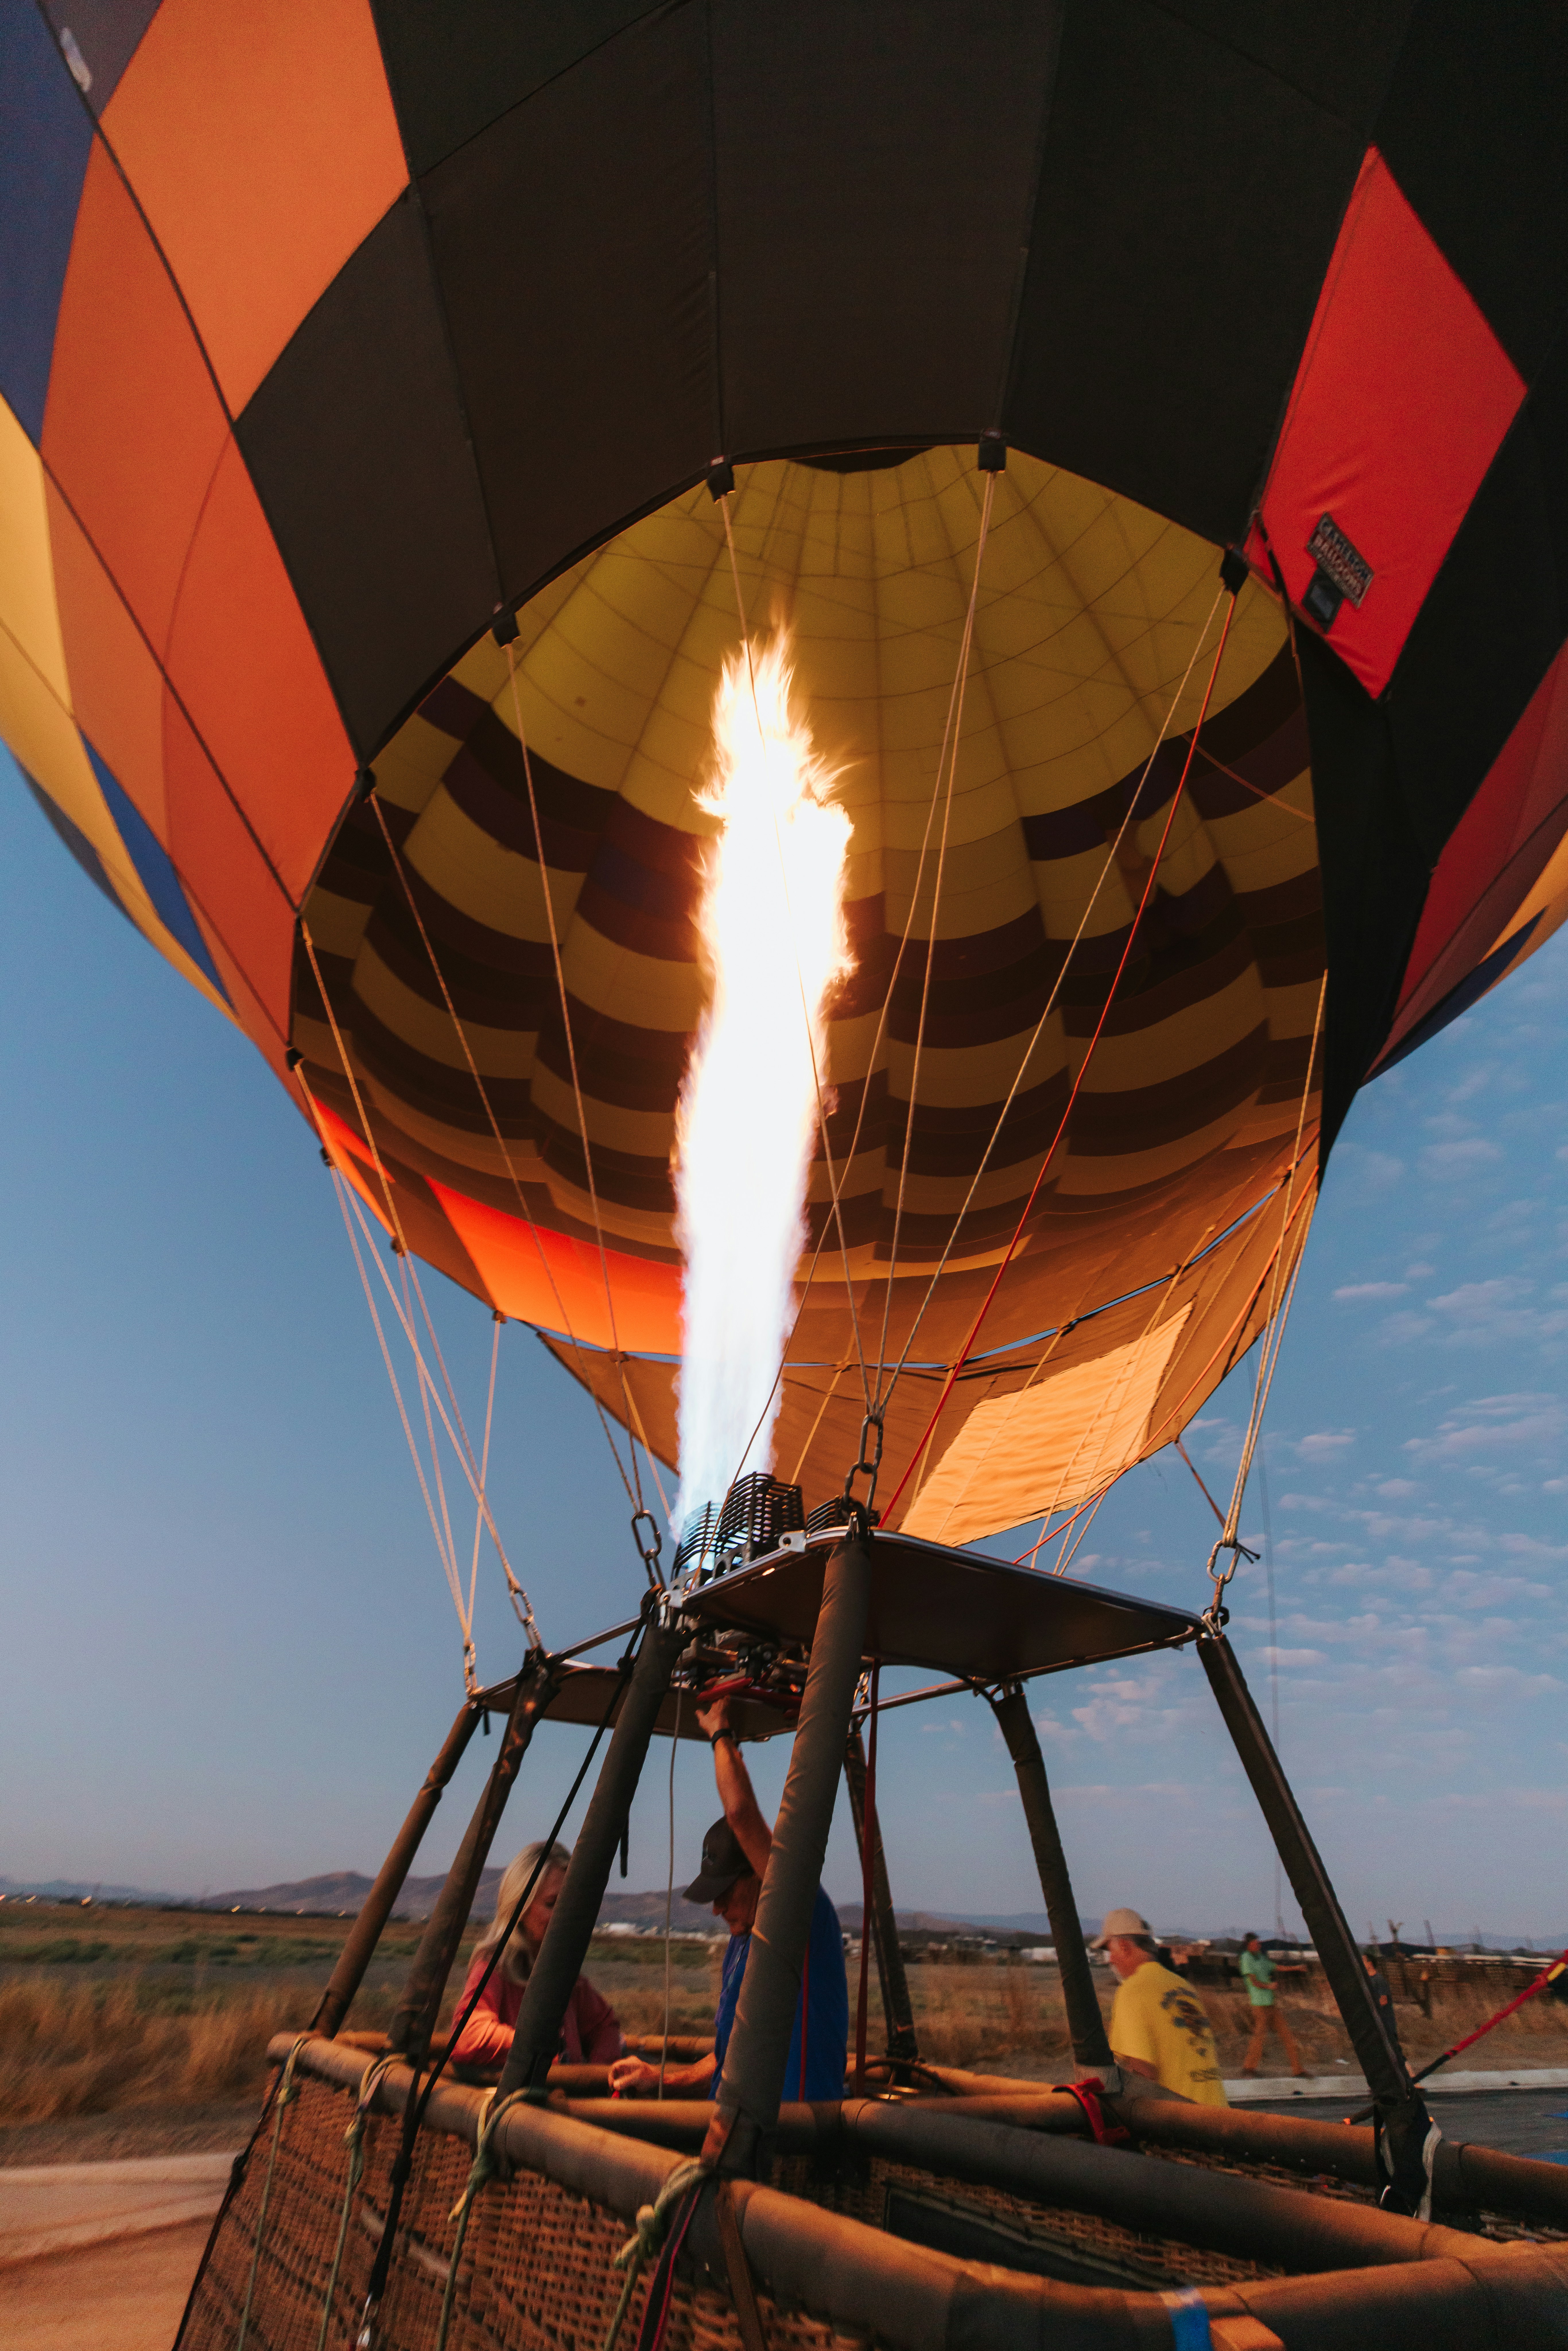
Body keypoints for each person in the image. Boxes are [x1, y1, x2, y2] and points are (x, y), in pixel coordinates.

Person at [608, 1695, 848, 2100]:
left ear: (759, 1876)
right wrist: (661, 2079)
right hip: (732, 2133)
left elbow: (741, 1814)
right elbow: (729, 2055)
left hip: (793, 2137)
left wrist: (719, 1733)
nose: (717, 1909)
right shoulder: (741, 1945)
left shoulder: (799, 1913)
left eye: (725, 1893)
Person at [449, 1840, 622, 2069]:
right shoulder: (496, 1966)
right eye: (552, 1905)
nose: (565, 1917)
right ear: (520, 1907)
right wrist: (538, 2047)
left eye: (571, 1905)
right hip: (517, 2101)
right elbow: (467, 2036)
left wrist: (593, 2076)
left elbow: (604, 2026)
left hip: (567, 2099)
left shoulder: (565, 1974)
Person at [1089, 1906, 1228, 2105]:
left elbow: (1142, 2074)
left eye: (1111, 1951)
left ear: (1125, 1947)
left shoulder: (1132, 1991)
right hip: (1220, 2114)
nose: (1111, 1960)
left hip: (1183, 2121)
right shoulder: (1183, 1986)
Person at [1239, 1932, 1308, 2078]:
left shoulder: (1262, 1958)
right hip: (1259, 2005)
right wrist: (1269, 1986)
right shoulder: (1246, 1958)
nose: (1259, 1945)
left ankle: (1298, 2070)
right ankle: (1249, 2068)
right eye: (1257, 1943)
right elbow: (1253, 1982)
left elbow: (1277, 1967)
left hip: (1271, 2004)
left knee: (1287, 2035)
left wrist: (1297, 1968)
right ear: (1249, 1944)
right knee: (1260, 2036)